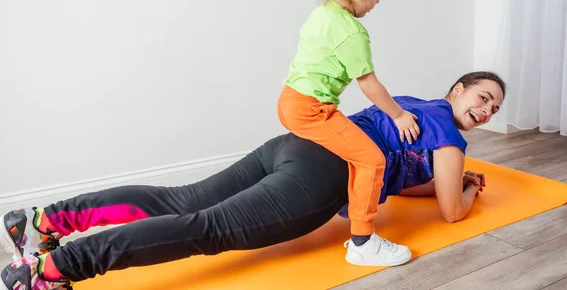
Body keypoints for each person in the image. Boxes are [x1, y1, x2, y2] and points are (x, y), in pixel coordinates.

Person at [1, 71, 505, 290]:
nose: (485, 111)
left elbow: (399, 178)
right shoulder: (450, 141)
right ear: (458, 89)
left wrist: (447, 178)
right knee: (203, 228)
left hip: (295, 146)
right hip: (318, 179)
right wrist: (465, 186)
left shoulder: (416, 106)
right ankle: (50, 271)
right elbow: (450, 210)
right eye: (482, 98)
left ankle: (44, 221)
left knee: (181, 199)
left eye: (494, 108)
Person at [278, 0, 420, 259]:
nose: (378, 2)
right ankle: (363, 242)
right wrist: (398, 115)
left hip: (289, 100)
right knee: (372, 159)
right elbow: (369, 83)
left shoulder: (323, 13)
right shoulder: (352, 32)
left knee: (354, 153)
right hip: (310, 108)